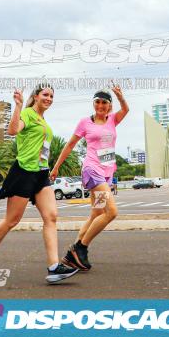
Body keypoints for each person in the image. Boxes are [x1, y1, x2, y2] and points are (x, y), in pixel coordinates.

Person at [0, 85, 78, 285]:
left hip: (41, 173)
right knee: (12, 221)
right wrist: (18, 106)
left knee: (51, 216)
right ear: (36, 97)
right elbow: (12, 130)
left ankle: (54, 267)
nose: (49, 98)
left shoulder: (44, 121)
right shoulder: (28, 114)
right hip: (24, 172)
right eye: (45, 95)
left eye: (52, 96)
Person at [52, 86, 129, 271]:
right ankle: (80, 248)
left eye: (104, 102)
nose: (101, 105)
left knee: (96, 214)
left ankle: (73, 253)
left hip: (106, 172)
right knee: (111, 212)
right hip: (92, 169)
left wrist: (120, 96)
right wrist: (56, 167)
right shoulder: (85, 122)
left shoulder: (112, 120)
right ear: (93, 104)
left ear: (109, 106)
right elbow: (70, 144)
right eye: (98, 102)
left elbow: (126, 110)